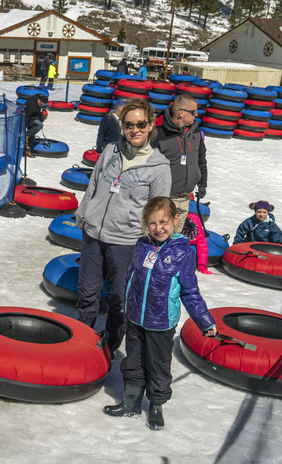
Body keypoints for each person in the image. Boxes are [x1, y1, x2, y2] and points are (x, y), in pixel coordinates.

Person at [103, 196, 216, 431]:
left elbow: (190, 292)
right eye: (152, 223)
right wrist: (124, 304)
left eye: (163, 222)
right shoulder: (142, 245)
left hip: (161, 323)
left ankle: (156, 406)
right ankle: (131, 403)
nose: (158, 228)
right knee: (132, 363)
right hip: (135, 319)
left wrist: (205, 321)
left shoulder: (183, 253)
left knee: (158, 366)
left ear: (175, 219)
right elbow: (130, 278)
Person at [75, 99, 172, 356]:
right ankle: (80, 343)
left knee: (118, 300)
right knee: (87, 293)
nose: (135, 130)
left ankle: (108, 349)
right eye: (129, 125)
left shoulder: (159, 167)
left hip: (126, 241)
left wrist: (154, 246)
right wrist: (84, 214)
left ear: (150, 125)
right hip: (94, 234)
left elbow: (159, 212)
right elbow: (94, 185)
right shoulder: (110, 151)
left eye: (141, 124)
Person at [151, 94, 207, 233]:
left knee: (175, 239)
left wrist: (202, 183)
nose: (196, 114)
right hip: (165, 197)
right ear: (181, 112)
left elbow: (200, 158)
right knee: (160, 236)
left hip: (185, 196)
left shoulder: (195, 130)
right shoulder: (158, 133)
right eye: (193, 112)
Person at [23, 93, 47, 157]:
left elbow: (40, 110)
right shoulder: (31, 106)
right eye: (40, 104)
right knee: (39, 125)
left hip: (34, 116)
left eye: (43, 105)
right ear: (38, 100)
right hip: (28, 118)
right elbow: (27, 116)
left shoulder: (39, 99)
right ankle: (26, 135)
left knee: (32, 135)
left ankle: (27, 151)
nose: (41, 106)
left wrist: (41, 117)